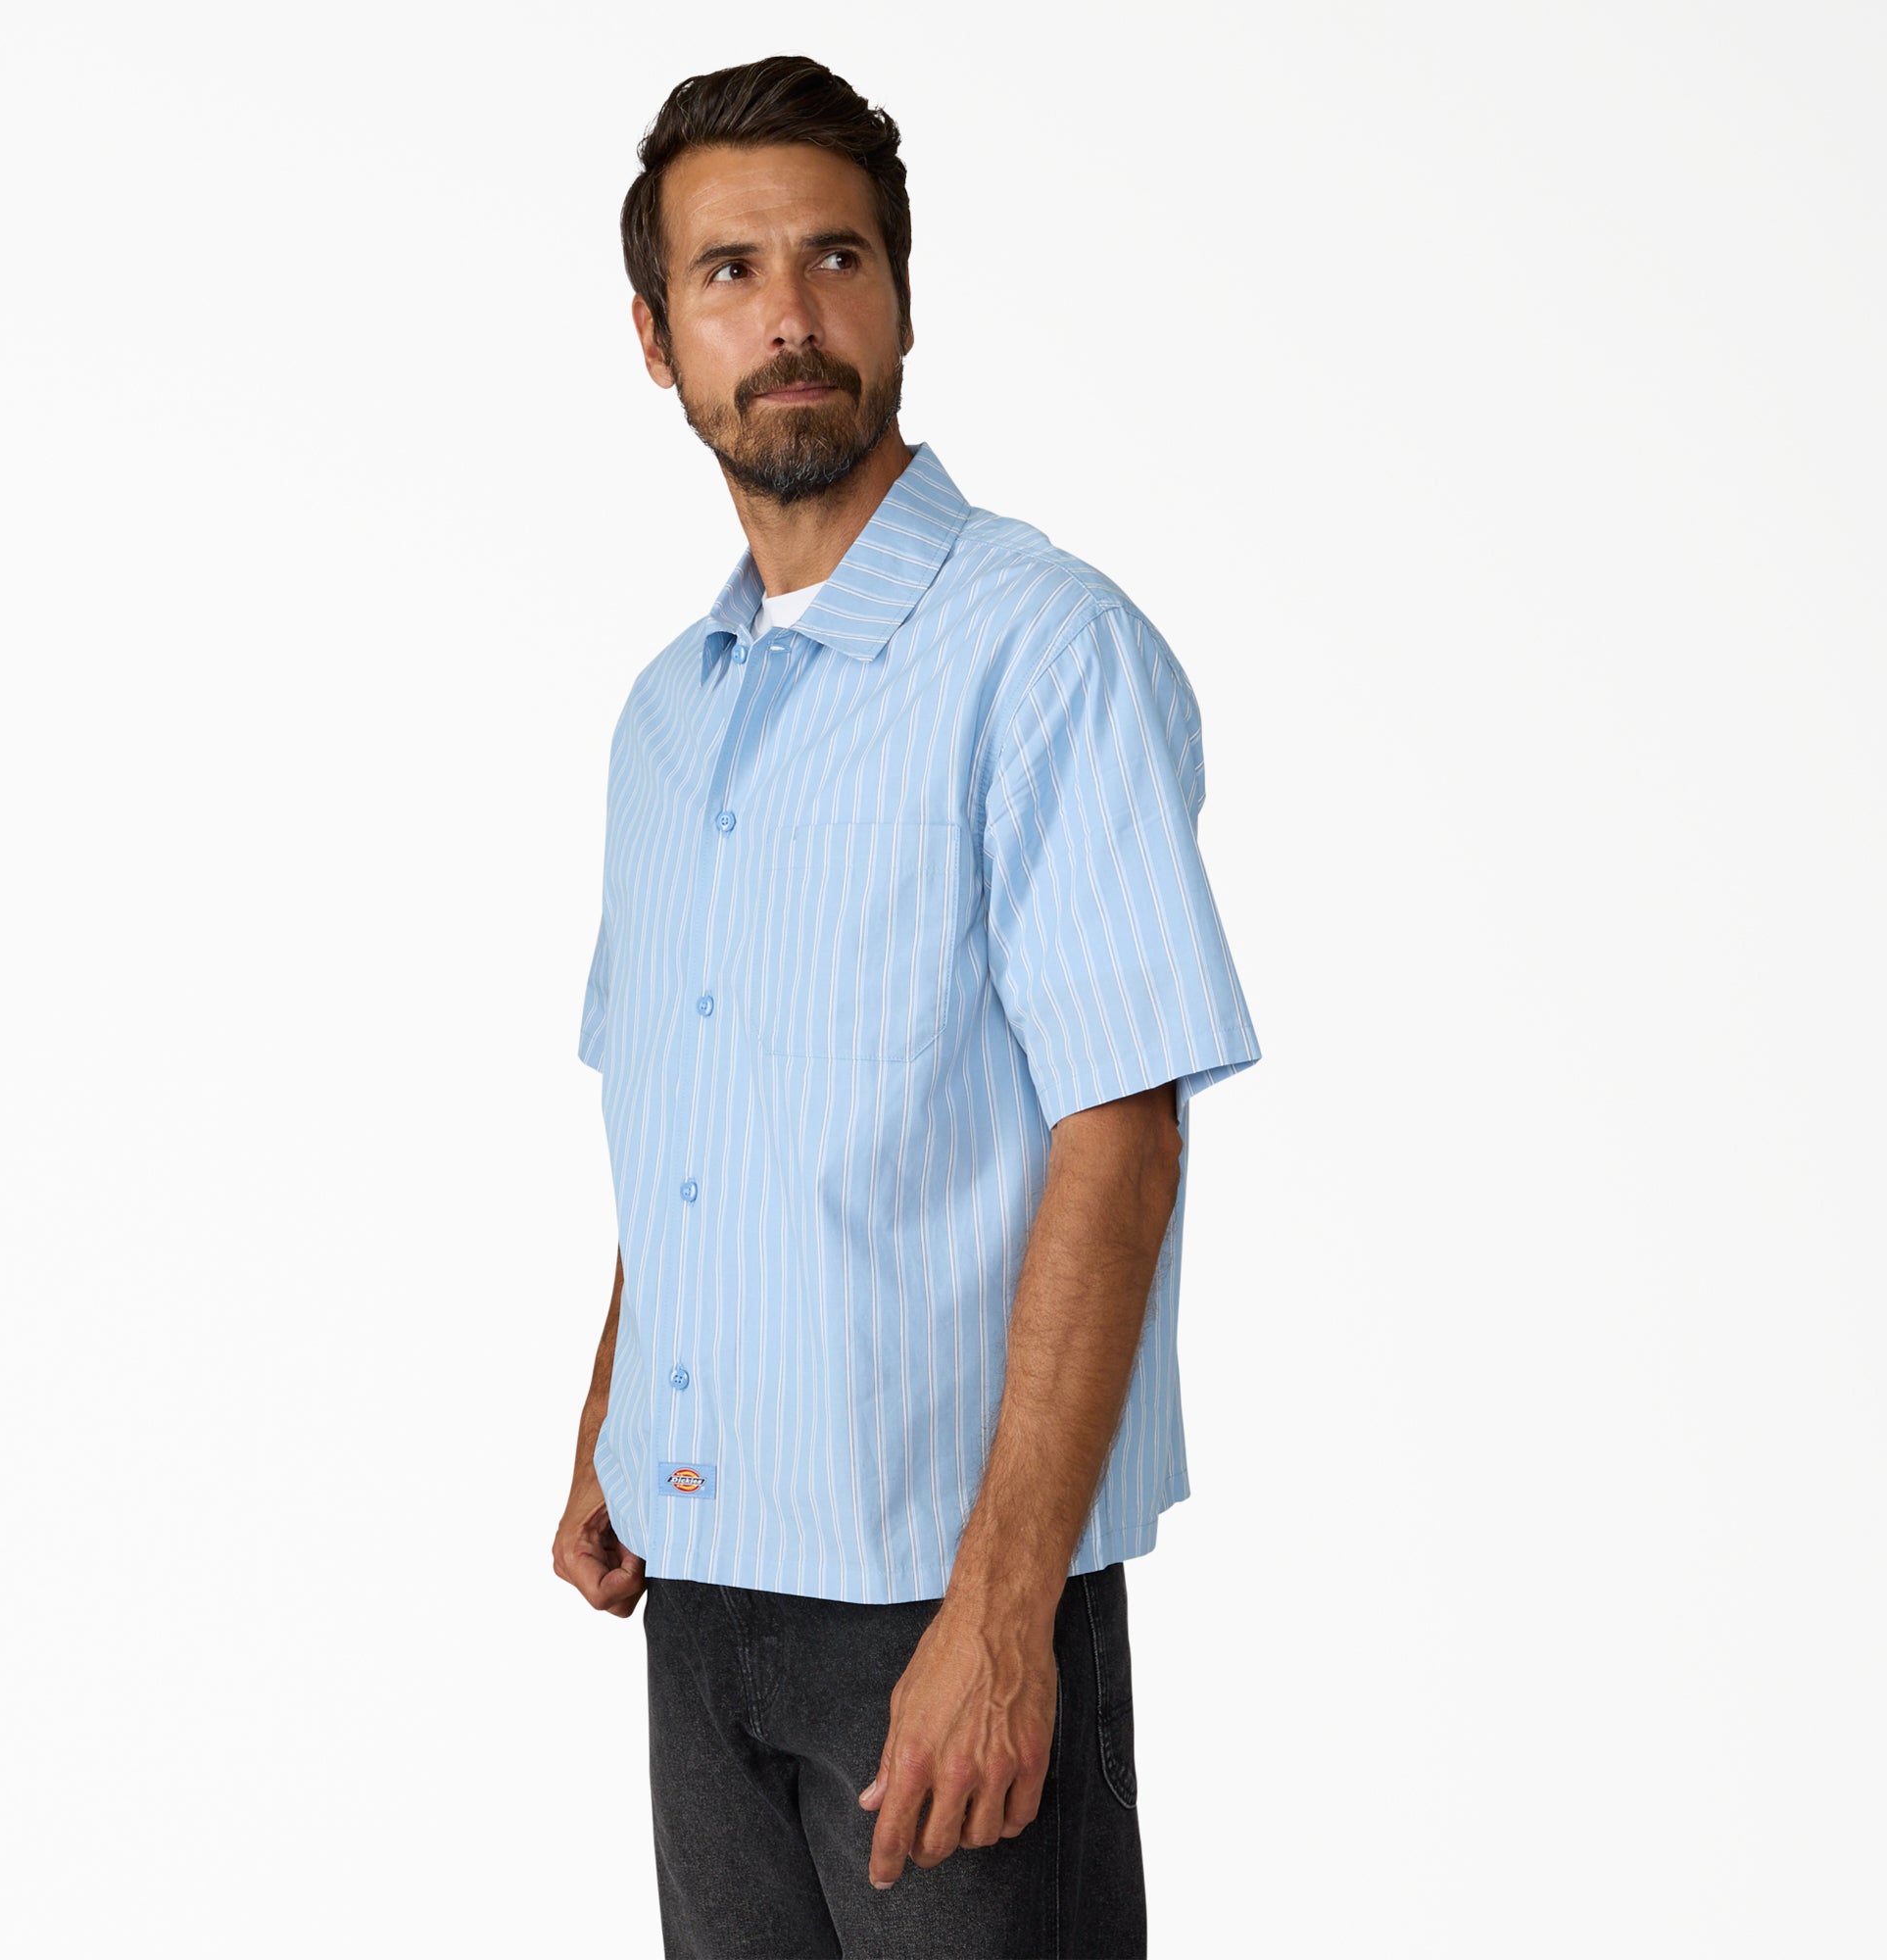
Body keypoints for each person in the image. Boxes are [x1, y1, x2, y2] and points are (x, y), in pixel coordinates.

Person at [552, 52, 1263, 1959]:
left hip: (943, 1610)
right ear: (656, 337)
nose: (789, 314)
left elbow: (1121, 1129)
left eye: (835, 257)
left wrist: (1004, 1614)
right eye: (729, 271)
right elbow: (685, 1101)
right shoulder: (666, 717)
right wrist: (617, 1407)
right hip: (702, 1595)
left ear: (903, 300)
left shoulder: (1044, 652)